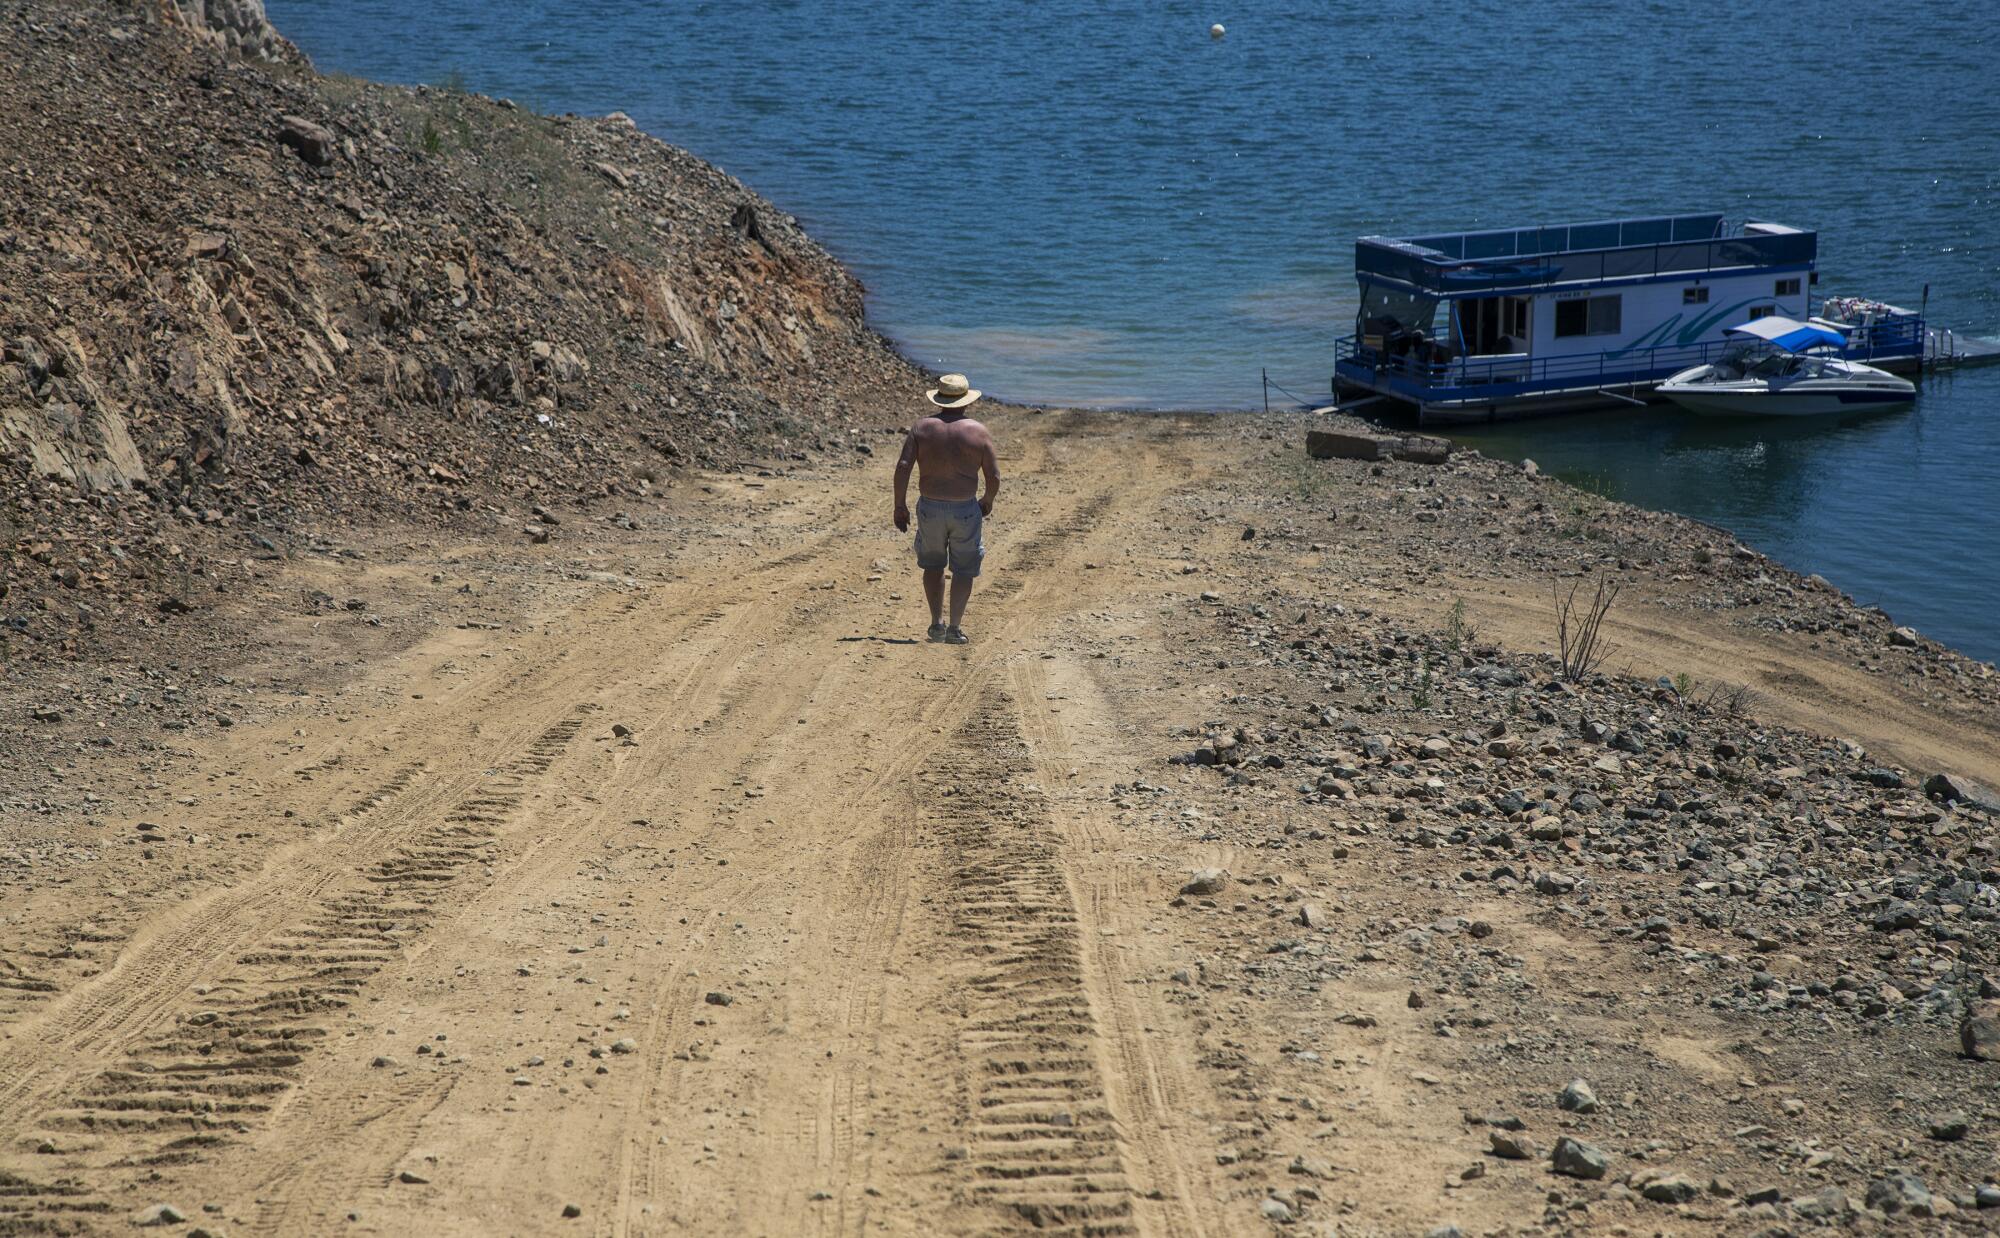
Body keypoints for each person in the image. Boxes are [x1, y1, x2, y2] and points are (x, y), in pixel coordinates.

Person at [892, 373, 1000, 644]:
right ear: (966, 401)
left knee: (933, 565)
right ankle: (954, 627)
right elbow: (994, 476)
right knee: (963, 568)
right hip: (964, 508)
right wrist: (987, 500)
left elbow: (903, 466)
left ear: (939, 399)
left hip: (930, 507)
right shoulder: (978, 431)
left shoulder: (922, 428)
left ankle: (935, 623)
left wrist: (899, 505)